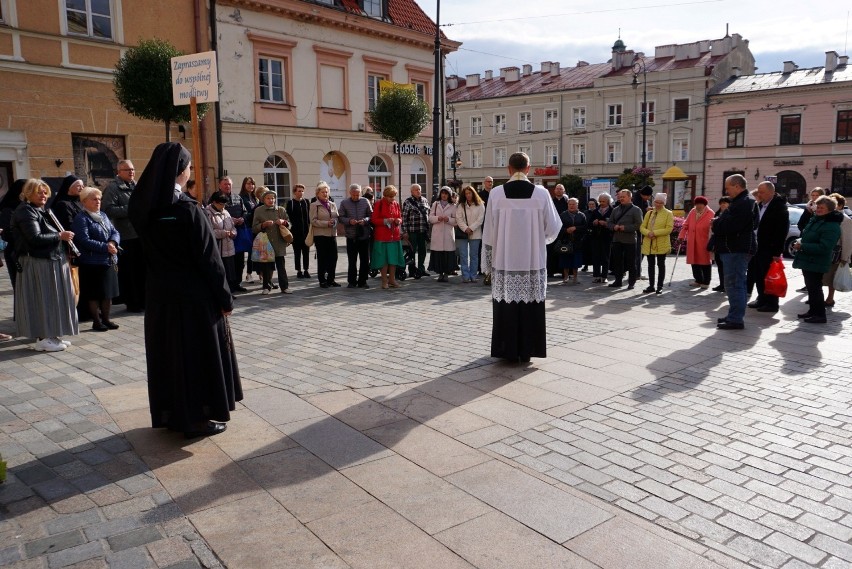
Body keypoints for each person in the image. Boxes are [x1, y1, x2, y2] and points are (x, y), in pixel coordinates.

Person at [128, 142, 241, 438]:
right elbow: (210, 260)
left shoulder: (143, 208)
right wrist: (225, 298)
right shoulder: (188, 210)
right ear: (181, 171)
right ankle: (198, 418)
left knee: (169, 356)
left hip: (160, 297)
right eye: (189, 166)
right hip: (194, 299)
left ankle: (171, 414)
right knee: (196, 356)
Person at [481, 152, 561, 362]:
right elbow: (553, 227)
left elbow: (488, 230)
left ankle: (506, 350)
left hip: (504, 260)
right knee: (530, 307)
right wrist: (536, 240)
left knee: (506, 306)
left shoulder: (496, 194)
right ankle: (528, 350)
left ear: (508, 169)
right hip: (531, 260)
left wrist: (488, 260)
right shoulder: (541, 193)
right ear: (528, 168)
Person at [10, 179, 79, 351]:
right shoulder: (26, 211)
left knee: (52, 299)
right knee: (42, 300)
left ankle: (51, 335)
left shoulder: (39, 210)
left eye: (45, 192)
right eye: (38, 192)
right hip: (37, 262)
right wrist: (59, 236)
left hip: (49, 260)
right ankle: (42, 339)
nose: (43, 195)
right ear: (28, 193)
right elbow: (34, 238)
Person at [712, 174, 757, 330]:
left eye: (728, 187)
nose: (726, 190)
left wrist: (716, 223)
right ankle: (733, 315)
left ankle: (736, 319)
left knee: (735, 284)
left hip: (736, 249)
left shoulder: (744, 202)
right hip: (734, 248)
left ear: (737, 186)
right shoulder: (741, 201)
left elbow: (730, 226)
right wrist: (720, 221)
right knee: (733, 284)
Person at [72, 187, 120, 331]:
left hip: (108, 260)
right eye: (94, 199)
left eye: (99, 199)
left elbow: (115, 231)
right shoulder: (81, 218)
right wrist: (105, 247)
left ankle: (106, 319)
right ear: (84, 201)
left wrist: (112, 243)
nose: (98, 201)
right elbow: (83, 240)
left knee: (107, 292)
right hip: (92, 262)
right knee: (94, 293)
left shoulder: (103, 215)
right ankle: (96, 321)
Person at [103, 159, 146, 312]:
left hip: (140, 234)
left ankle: (143, 300)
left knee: (142, 271)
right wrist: (132, 209)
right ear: (119, 172)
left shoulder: (137, 186)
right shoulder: (113, 188)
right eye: (127, 170)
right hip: (126, 236)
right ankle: (133, 303)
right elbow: (108, 210)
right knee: (130, 273)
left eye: (133, 169)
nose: (131, 172)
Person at [792, 196, 843, 324]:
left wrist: (802, 246)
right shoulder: (816, 220)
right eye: (818, 207)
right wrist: (800, 243)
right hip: (808, 259)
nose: (818, 210)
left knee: (815, 288)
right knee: (811, 287)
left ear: (830, 210)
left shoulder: (831, 225)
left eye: (822, 208)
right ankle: (813, 311)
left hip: (817, 261)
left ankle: (820, 315)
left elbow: (825, 247)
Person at [746, 181, 789, 313]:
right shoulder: (760, 205)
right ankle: (762, 298)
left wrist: (777, 251)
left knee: (769, 276)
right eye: (758, 191)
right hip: (758, 247)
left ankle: (772, 303)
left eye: (762, 192)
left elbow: (781, 231)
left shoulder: (779, 207)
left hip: (769, 248)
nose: (759, 194)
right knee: (758, 274)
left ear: (771, 192)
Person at [252, 188, 292, 295]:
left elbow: (290, 224)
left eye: (273, 198)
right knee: (266, 267)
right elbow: (254, 228)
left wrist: (284, 222)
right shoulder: (259, 210)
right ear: (263, 199)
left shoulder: (281, 210)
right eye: (268, 198)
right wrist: (263, 225)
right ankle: (266, 287)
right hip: (266, 242)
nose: (271, 200)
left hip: (279, 242)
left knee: (281, 266)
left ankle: (285, 287)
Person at [217, 176, 248, 292]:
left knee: (239, 261)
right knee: (227, 262)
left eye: (229, 184)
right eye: (225, 184)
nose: (227, 186)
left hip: (238, 233)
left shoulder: (237, 197)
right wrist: (230, 220)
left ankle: (237, 283)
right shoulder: (216, 197)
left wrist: (242, 219)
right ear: (220, 185)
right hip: (225, 235)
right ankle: (228, 285)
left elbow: (245, 211)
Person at [370, 185, 405, 289]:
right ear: (385, 195)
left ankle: (392, 280)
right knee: (383, 259)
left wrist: (398, 220)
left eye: (393, 196)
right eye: (390, 197)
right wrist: (385, 221)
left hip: (394, 236)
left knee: (393, 259)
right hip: (382, 237)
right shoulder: (378, 204)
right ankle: (384, 280)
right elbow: (374, 220)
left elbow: (399, 216)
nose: (392, 199)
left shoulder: (396, 204)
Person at [338, 183, 373, 288]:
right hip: (351, 236)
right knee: (352, 260)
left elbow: (371, 215)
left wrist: (365, 220)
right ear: (350, 193)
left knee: (365, 260)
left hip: (364, 235)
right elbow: (340, 217)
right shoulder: (344, 203)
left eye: (357, 195)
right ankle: (352, 281)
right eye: (353, 195)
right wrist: (349, 221)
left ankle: (363, 281)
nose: (356, 197)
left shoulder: (365, 201)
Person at [607, 189, 643, 289]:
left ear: (629, 197)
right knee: (617, 262)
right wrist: (613, 227)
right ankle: (618, 281)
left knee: (631, 262)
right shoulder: (615, 209)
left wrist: (625, 228)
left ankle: (631, 282)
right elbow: (609, 223)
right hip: (617, 239)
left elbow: (639, 224)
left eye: (623, 197)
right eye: (620, 197)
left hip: (630, 240)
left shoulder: (636, 210)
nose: (621, 198)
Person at [639, 193, 674, 294]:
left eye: (661, 202)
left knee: (661, 264)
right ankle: (651, 285)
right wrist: (648, 233)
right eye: (656, 202)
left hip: (661, 243)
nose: (658, 204)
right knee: (650, 264)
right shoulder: (649, 213)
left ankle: (660, 286)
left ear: (664, 203)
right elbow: (642, 227)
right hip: (649, 242)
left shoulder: (668, 213)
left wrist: (654, 233)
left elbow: (669, 229)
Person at [678, 195, 715, 289]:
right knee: (694, 261)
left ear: (705, 204)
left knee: (705, 262)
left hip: (704, 241)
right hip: (692, 240)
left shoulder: (710, 213)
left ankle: (706, 282)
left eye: (700, 204)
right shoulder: (693, 211)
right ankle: (698, 280)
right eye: (697, 204)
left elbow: (713, 228)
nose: (698, 206)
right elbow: (686, 224)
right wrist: (681, 236)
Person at [205, 192, 238, 293]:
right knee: (220, 272)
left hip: (229, 247)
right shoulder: (207, 213)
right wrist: (224, 233)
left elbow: (232, 227)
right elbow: (209, 231)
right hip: (218, 248)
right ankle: (222, 292)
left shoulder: (226, 212)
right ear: (214, 202)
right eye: (221, 204)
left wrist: (233, 233)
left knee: (230, 272)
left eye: (224, 204)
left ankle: (230, 291)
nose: (223, 206)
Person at [309, 181, 340, 288]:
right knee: (322, 258)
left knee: (334, 257)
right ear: (318, 193)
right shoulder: (314, 205)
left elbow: (336, 217)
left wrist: (334, 222)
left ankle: (331, 279)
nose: (325, 194)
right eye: (323, 192)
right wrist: (326, 223)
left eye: (326, 192)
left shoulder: (333, 204)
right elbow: (313, 221)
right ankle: (322, 280)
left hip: (332, 234)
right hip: (320, 235)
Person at [824, 193, 852, 307]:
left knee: (831, 277)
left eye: (834, 203)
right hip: (826, 252)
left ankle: (830, 298)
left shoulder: (845, 220)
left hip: (836, 254)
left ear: (840, 205)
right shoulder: (827, 216)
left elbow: (847, 240)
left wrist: (845, 257)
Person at [456, 186, 485, 283]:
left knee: (474, 255)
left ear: (473, 193)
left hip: (475, 233)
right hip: (463, 234)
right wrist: (466, 229)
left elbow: (480, 219)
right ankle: (465, 276)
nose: (468, 195)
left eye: (470, 193)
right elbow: (458, 219)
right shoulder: (461, 205)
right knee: (463, 255)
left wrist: (471, 228)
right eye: (466, 193)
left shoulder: (480, 204)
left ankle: (473, 275)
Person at [428, 186, 457, 282]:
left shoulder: (453, 206)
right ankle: (440, 273)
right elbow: (430, 218)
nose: (444, 195)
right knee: (438, 254)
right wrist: (437, 218)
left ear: (449, 195)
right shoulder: (435, 204)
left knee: (447, 254)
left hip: (448, 233)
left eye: (446, 194)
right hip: (438, 233)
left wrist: (448, 219)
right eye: (442, 193)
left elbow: (456, 221)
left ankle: (446, 274)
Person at [402, 184, 430, 278]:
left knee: (423, 250)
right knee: (412, 251)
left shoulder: (425, 201)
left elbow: (428, 215)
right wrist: (405, 231)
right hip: (412, 231)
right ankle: (412, 270)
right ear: (411, 192)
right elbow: (404, 218)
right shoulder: (408, 202)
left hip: (423, 231)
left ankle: (421, 269)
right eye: (416, 190)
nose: (418, 191)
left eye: (419, 189)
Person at [557, 198, 587, 284]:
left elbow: (585, 227)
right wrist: (566, 230)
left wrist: (576, 228)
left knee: (576, 260)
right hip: (565, 241)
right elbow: (558, 227)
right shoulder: (563, 215)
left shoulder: (581, 215)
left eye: (573, 204)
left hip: (577, 241)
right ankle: (566, 276)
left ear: (577, 205)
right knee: (565, 259)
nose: (571, 206)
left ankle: (575, 277)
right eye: (570, 204)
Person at [0, 179, 23, 288]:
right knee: (20, 288)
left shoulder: (30, 207)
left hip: (27, 252)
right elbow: (8, 233)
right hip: (15, 251)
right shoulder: (8, 209)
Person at [286, 184, 311, 279]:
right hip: (295, 233)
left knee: (306, 252)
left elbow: (309, 216)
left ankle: (306, 270)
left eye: (302, 191)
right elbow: (288, 217)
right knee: (297, 252)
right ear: (294, 192)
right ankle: (299, 270)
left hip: (306, 232)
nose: (301, 193)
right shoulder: (291, 203)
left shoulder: (306, 202)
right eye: (299, 191)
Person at [587, 193, 613, 284]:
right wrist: (594, 222)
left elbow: (614, 224)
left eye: (603, 201)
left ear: (608, 201)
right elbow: (589, 223)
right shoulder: (595, 211)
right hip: (596, 236)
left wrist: (606, 224)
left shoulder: (612, 211)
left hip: (607, 237)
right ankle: (596, 275)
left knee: (606, 257)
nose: (601, 203)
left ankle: (604, 276)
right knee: (596, 256)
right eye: (600, 201)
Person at [239, 177, 259, 283]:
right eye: (248, 184)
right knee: (249, 251)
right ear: (244, 185)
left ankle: (257, 273)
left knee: (255, 251)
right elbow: (244, 213)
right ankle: (248, 274)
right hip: (247, 227)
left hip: (256, 226)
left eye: (252, 184)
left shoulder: (255, 197)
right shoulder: (241, 197)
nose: (250, 186)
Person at [547, 184, 569, 277]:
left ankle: (565, 272)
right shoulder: (550, 201)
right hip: (553, 229)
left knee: (564, 250)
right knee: (551, 250)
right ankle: (551, 271)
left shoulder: (568, 202)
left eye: (561, 189)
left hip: (564, 230)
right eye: (557, 189)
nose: (559, 190)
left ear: (564, 191)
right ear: (554, 191)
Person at [710, 196, 731, 292]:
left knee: (727, 266)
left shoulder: (731, 214)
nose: (723, 204)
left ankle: (727, 285)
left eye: (725, 203)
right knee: (719, 264)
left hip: (727, 244)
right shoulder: (717, 213)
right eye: (721, 203)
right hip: (718, 243)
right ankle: (722, 284)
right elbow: (714, 229)